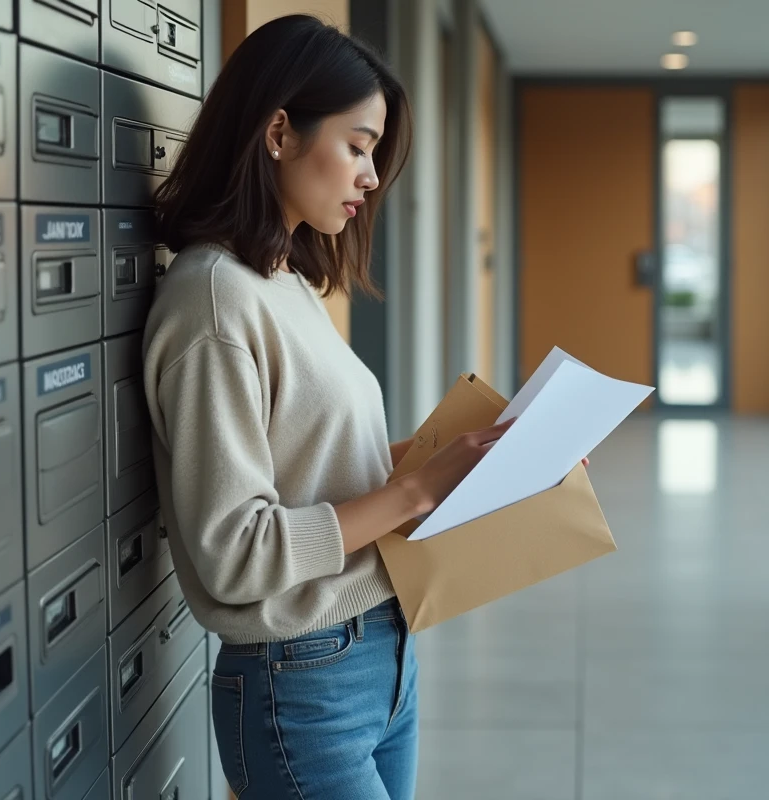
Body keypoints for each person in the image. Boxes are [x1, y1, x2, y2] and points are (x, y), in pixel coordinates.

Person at [143, 14, 512, 799]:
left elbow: (323, 468)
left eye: (374, 152)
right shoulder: (214, 303)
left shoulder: (282, 282)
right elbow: (234, 553)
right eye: (358, 144)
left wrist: (482, 456)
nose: (372, 176)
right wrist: (415, 489)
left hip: (381, 651)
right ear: (279, 131)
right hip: (300, 683)